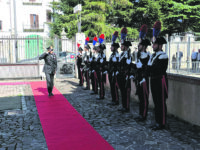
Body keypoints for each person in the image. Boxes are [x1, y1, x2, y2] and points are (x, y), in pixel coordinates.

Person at [148, 37, 168, 130]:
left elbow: (157, 69)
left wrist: (148, 67)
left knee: (161, 102)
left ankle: (162, 123)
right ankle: (157, 121)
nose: (153, 46)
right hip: (153, 80)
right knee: (156, 102)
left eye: (155, 44)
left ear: (160, 46)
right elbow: (149, 69)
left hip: (160, 80)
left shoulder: (163, 56)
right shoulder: (154, 56)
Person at [133, 24, 151, 121]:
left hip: (144, 79)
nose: (138, 46)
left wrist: (143, 76)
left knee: (144, 98)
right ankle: (140, 114)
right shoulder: (139, 54)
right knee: (140, 97)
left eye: (140, 45)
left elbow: (147, 68)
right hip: (139, 78)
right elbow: (137, 66)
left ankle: (144, 115)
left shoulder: (148, 55)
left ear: (143, 46)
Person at [107, 31, 120, 105]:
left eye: (112, 47)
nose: (110, 48)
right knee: (112, 87)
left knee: (115, 87)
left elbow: (117, 64)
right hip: (111, 72)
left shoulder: (117, 55)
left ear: (115, 48)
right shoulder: (112, 54)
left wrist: (115, 71)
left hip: (114, 72)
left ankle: (116, 100)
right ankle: (113, 99)